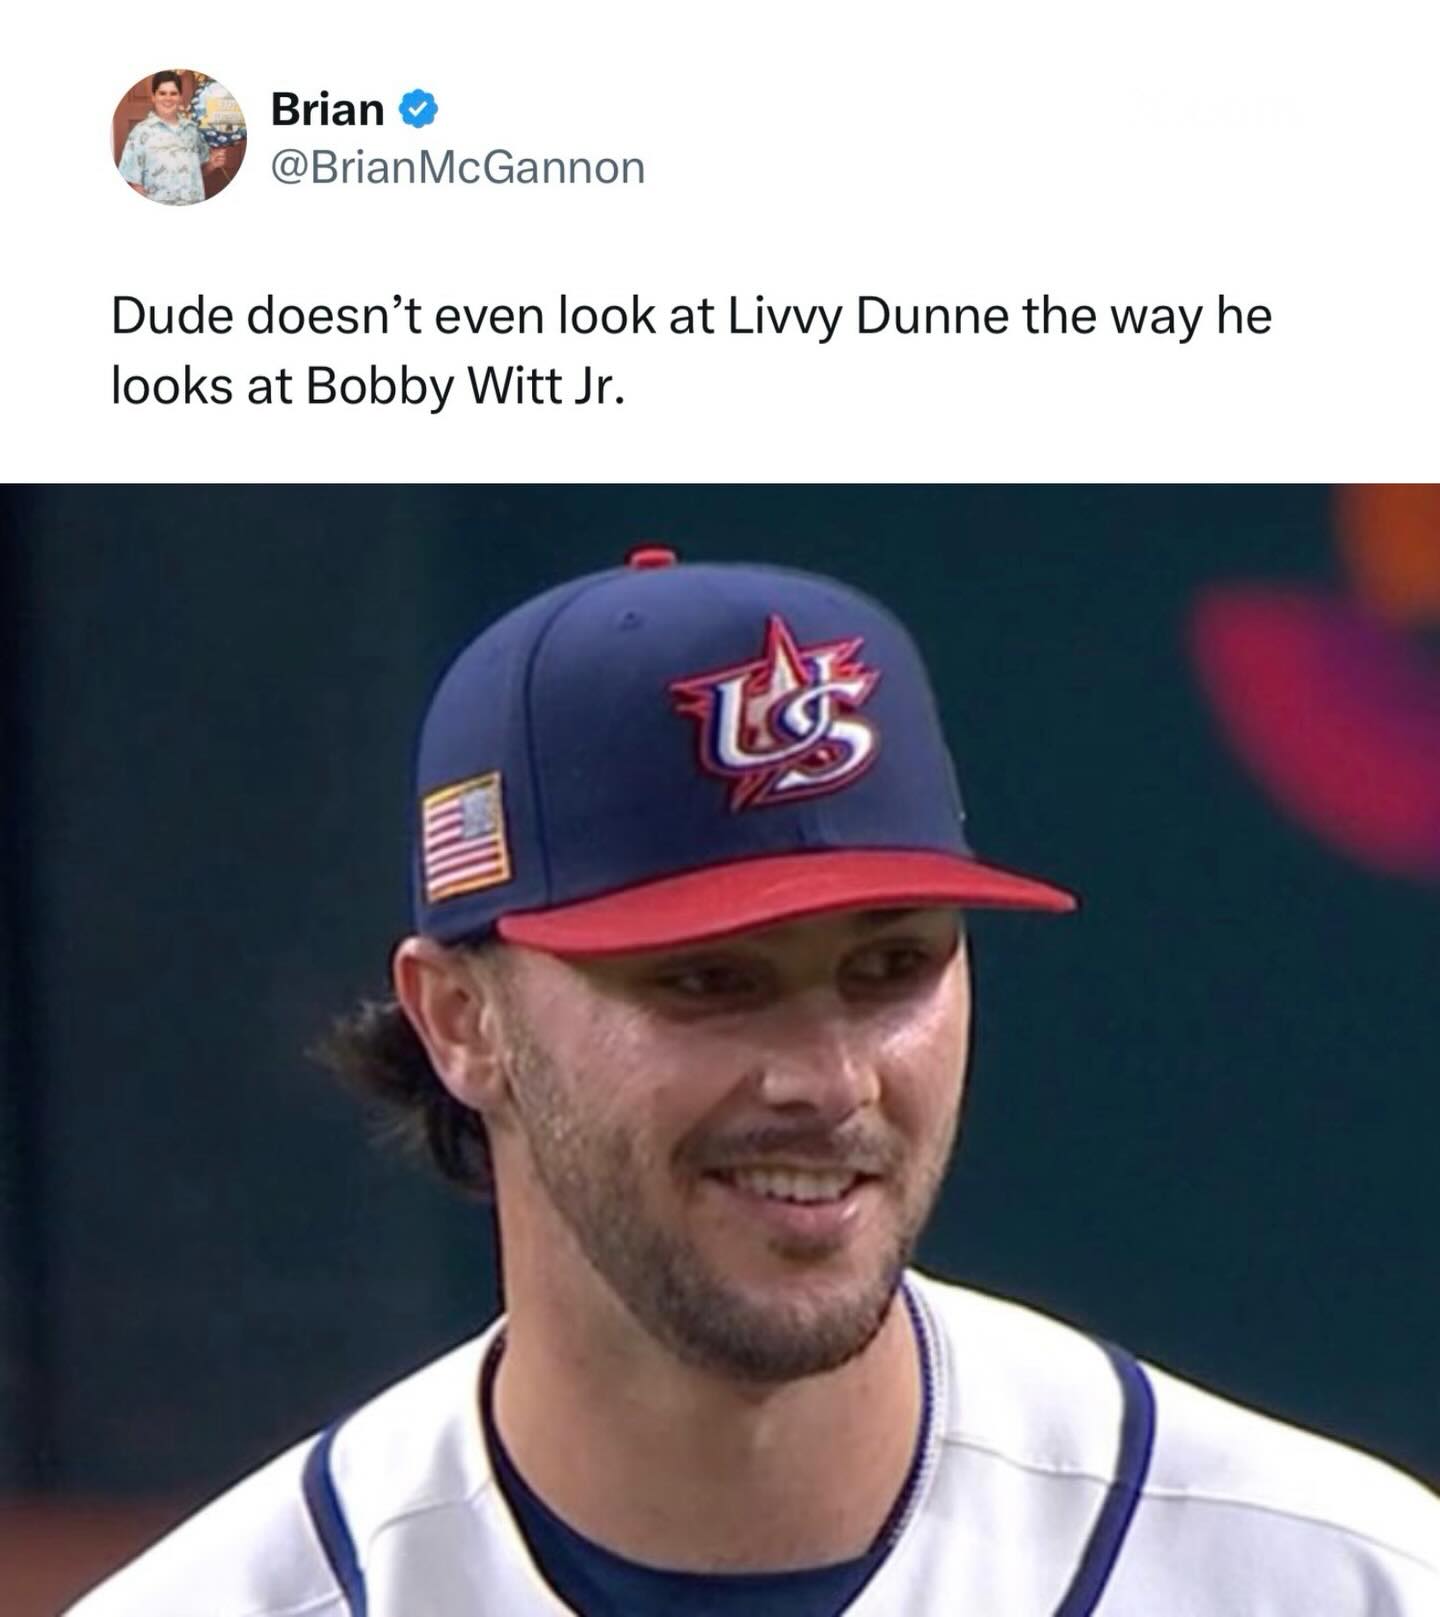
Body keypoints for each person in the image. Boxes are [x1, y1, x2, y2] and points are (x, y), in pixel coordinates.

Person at [70, 551, 1439, 1615]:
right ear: (461, 1021)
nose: (827, 1079)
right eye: (708, 979)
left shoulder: (1335, 1579)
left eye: (890, 966)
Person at [117, 72, 225, 205]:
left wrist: (212, 164)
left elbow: (198, 173)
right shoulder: (140, 133)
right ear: (153, 97)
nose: (168, 98)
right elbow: (135, 184)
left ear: (180, 97)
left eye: (173, 93)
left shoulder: (193, 130)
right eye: (162, 93)